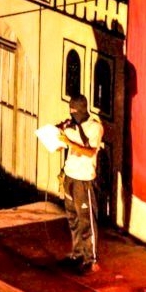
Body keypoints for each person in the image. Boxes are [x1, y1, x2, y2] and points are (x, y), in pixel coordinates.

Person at [57, 95, 104, 275]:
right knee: (73, 218)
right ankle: (77, 254)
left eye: (75, 110)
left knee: (86, 221)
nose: (72, 113)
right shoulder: (71, 126)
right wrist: (57, 135)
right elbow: (60, 147)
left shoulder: (94, 127)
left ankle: (91, 260)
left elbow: (90, 152)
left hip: (84, 180)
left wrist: (69, 141)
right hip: (70, 177)